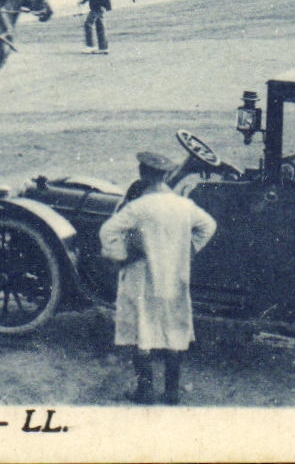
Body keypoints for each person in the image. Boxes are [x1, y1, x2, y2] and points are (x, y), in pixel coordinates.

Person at [98, 151, 217, 405]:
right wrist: (191, 249)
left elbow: (108, 230)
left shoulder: (139, 207)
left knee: (143, 329)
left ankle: (145, 391)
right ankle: (171, 392)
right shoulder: (184, 205)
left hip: (142, 276)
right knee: (174, 327)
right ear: (165, 175)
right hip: (174, 275)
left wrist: (121, 255)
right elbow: (208, 225)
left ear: (142, 174)